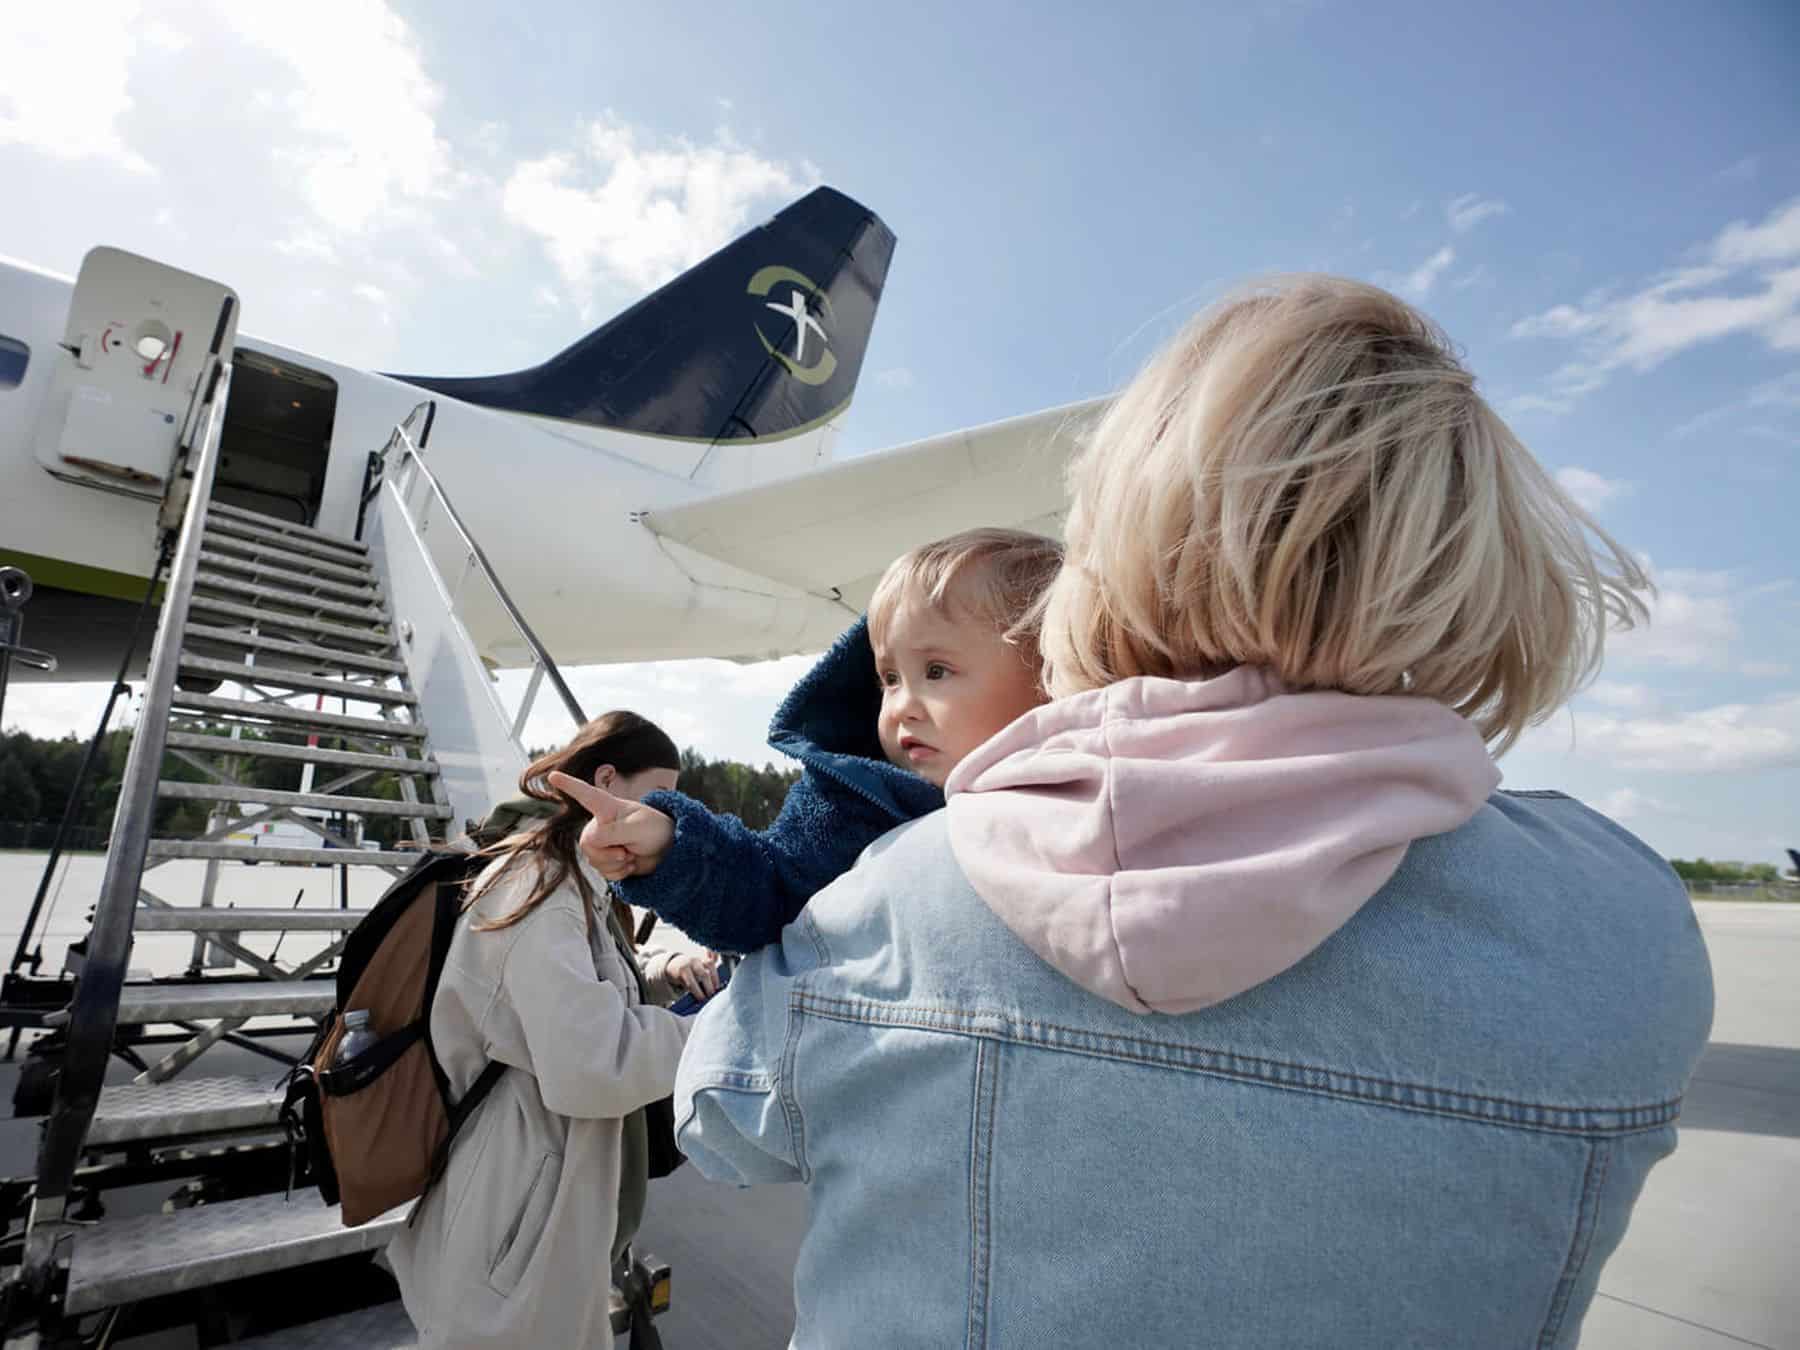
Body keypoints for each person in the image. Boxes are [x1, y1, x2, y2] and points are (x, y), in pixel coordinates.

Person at [666, 277, 1715, 1347]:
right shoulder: (1628, 922)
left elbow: (721, 1125)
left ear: (1112, 560)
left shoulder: (896, 889)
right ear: (1477, 561)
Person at [550, 527, 1064, 955]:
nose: (902, 704)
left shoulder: (1096, 791)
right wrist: (669, 850)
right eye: (888, 678)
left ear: (1050, 677)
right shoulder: (852, 801)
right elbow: (765, 895)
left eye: (936, 671)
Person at [386, 711, 704, 1350]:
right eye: (656, 797)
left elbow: (586, 981)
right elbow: (594, 1062)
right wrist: (723, 1029)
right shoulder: (537, 883)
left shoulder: (568, 877)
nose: (660, 819)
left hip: (536, 1201)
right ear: (606, 779)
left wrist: (668, 972)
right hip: (515, 1223)